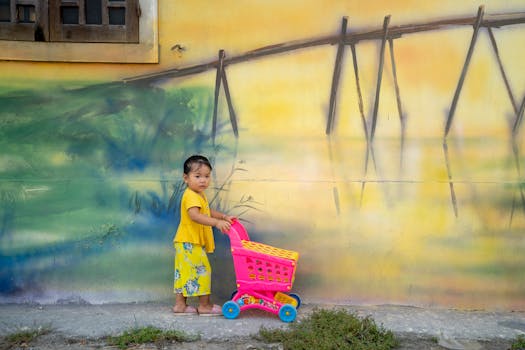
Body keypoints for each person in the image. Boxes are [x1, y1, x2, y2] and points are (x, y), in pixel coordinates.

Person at [172, 155, 235, 316]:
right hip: (189, 242)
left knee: (183, 272)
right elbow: (195, 215)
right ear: (186, 178)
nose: (203, 181)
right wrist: (216, 223)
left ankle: (180, 305)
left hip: (186, 241)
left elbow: (205, 211)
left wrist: (222, 217)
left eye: (206, 176)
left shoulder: (198, 195)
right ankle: (204, 305)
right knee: (203, 271)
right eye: (197, 176)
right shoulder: (191, 195)